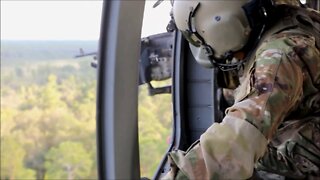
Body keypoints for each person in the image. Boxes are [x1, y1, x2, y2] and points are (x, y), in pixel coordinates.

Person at [163, 0, 320, 179]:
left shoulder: (278, 59)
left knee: (245, 156)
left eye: (196, 38)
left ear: (222, 27)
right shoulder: (281, 16)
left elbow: (238, 139)